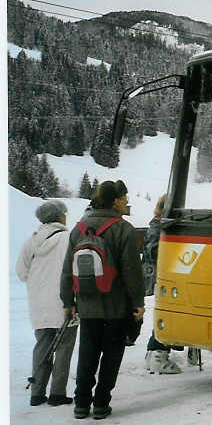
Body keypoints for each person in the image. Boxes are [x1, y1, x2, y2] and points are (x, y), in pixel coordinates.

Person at [61, 180, 145, 420]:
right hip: (116, 307)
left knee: (87, 353)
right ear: (115, 201)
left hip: (87, 306)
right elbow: (132, 271)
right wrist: (138, 302)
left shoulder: (79, 228)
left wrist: (68, 302)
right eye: (124, 198)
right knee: (111, 356)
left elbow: (67, 269)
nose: (127, 202)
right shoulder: (123, 229)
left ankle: (80, 404)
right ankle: (100, 404)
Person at [16, 200, 78, 407]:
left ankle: (37, 393)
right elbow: (76, 268)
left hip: (39, 305)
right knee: (64, 348)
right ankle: (57, 394)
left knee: (42, 347)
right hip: (64, 302)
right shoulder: (68, 238)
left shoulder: (31, 242)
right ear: (60, 216)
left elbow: (21, 273)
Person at [143, 194, 184, 374]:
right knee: (167, 314)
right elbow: (154, 253)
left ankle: (152, 354)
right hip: (165, 276)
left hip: (163, 275)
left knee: (166, 314)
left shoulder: (156, 223)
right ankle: (158, 355)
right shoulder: (161, 226)